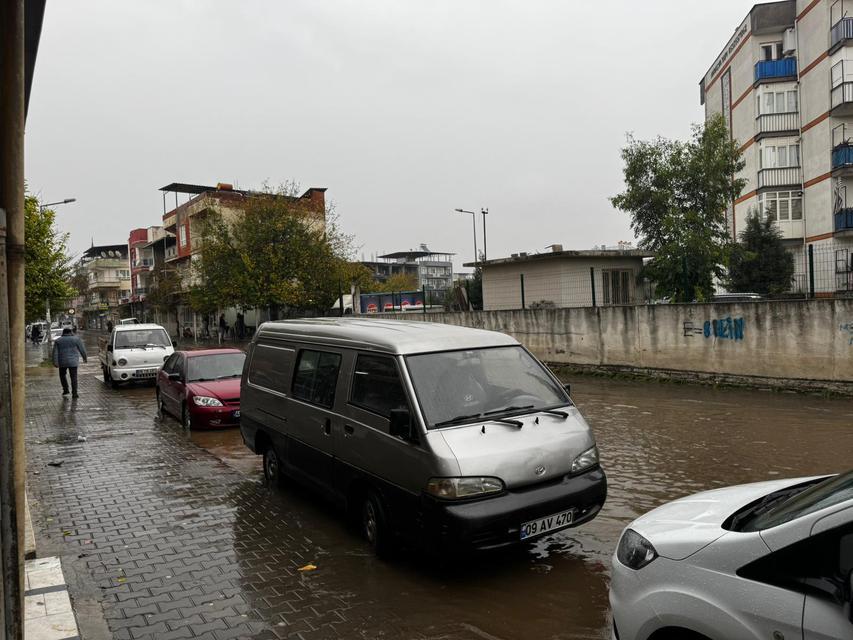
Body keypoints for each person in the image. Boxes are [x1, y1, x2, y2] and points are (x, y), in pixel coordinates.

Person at [52, 327, 87, 398]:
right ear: (70, 332)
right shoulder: (76, 339)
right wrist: (84, 358)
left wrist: (55, 362)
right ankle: (75, 393)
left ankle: (65, 389)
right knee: (74, 377)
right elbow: (82, 349)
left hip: (62, 362)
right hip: (73, 362)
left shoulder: (58, 341)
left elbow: (55, 353)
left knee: (62, 375)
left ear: (63, 333)